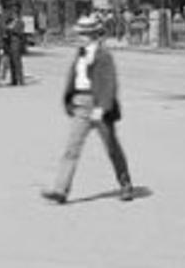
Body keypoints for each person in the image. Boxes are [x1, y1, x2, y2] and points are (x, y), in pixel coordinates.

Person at [41, 13, 133, 205]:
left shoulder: (103, 55)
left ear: (91, 35)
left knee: (112, 148)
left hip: (98, 104)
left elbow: (109, 83)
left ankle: (125, 183)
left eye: (81, 34)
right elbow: (73, 78)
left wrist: (102, 107)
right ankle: (60, 190)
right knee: (71, 148)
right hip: (81, 104)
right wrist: (71, 100)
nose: (78, 37)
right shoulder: (80, 54)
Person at [5, 6, 26, 86]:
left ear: (17, 14)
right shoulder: (10, 22)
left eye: (14, 13)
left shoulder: (20, 22)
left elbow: (18, 31)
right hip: (10, 44)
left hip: (16, 43)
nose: (12, 15)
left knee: (17, 63)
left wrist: (11, 29)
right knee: (12, 63)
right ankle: (14, 80)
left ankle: (21, 80)